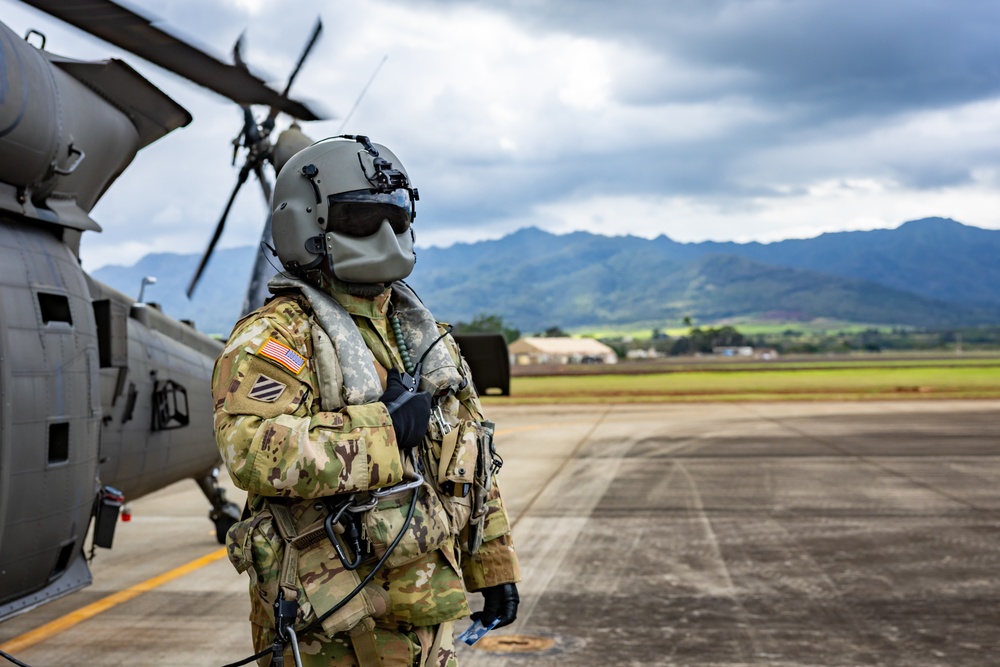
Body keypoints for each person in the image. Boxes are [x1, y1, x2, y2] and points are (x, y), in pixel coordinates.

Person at [213, 135, 520, 667]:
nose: (383, 234)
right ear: (307, 225)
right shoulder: (279, 337)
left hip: (428, 610)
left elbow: (473, 460)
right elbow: (252, 451)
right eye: (358, 219)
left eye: (395, 216)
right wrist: (381, 431)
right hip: (326, 625)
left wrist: (494, 567)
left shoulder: (424, 337)